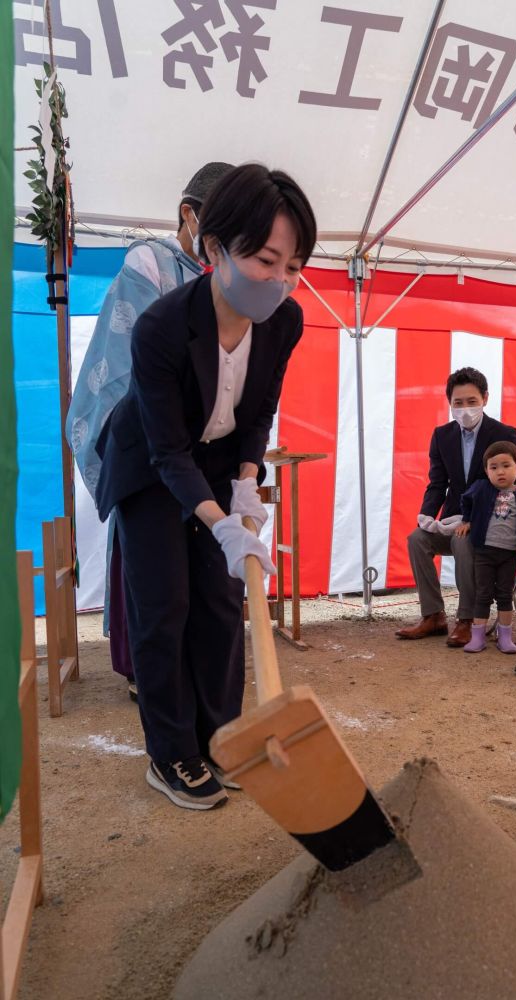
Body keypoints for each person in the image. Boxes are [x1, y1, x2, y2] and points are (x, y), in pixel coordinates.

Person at [95, 164, 317, 809]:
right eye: (265, 260)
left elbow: (258, 413)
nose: (280, 281)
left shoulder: (286, 321)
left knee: (222, 605)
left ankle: (220, 739)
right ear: (216, 249)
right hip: (148, 468)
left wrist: (246, 486)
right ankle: (170, 756)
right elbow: (167, 450)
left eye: (295, 265)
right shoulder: (162, 326)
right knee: (165, 609)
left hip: (220, 464)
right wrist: (220, 523)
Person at [66, 162, 234, 700]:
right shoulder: (151, 261)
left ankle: (182, 667)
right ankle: (147, 670)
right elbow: (132, 355)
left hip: (190, 440)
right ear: (190, 214)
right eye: (220, 226)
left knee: (192, 564)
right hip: (146, 427)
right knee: (154, 559)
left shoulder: (216, 277)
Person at [395, 367, 516, 647]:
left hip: (489, 522)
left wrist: (472, 517)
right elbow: (437, 482)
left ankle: (468, 619)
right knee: (416, 539)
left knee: (463, 541)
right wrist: (426, 514)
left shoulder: (504, 433)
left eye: (472, 401)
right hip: (451, 519)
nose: (465, 409)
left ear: (485, 398)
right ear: (449, 402)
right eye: (458, 403)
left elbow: (506, 484)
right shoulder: (442, 435)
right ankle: (433, 615)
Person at [455, 441, 516, 654]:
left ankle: (505, 637)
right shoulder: (482, 488)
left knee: (504, 594)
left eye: (506, 465)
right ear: (486, 471)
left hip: (509, 554)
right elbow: (466, 500)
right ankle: (478, 637)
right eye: (494, 467)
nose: (500, 471)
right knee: (482, 593)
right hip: (484, 552)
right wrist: (468, 520)